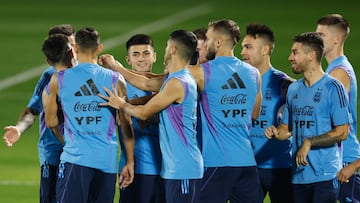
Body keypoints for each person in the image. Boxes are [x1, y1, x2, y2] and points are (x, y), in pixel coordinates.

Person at [99, 19, 263, 203]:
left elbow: (148, 82)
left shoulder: (201, 72)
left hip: (217, 161)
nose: (204, 45)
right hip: (246, 161)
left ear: (218, 42)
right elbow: (254, 114)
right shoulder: (253, 73)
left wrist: (117, 69)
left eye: (207, 39)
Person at [99, 29, 203, 203]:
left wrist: (122, 104)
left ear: (174, 49)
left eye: (169, 44)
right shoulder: (174, 78)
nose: (166, 47)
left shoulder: (178, 82)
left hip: (183, 167)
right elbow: (145, 81)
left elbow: (145, 112)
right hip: (174, 168)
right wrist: (116, 66)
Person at [44, 27, 135, 203]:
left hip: (75, 159)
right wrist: (129, 162)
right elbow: (126, 125)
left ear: (75, 48)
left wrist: (66, 141)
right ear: (99, 48)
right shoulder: (116, 79)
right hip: (107, 161)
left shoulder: (59, 79)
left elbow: (51, 121)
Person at [264, 32, 350, 203]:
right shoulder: (294, 89)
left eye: (295, 52)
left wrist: (309, 142)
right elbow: (286, 130)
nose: (290, 57)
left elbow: (342, 132)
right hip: (299, 176)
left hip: (324, 175)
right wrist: (276, 131)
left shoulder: (333, 87)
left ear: (311, 55)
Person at [3, 24, 75, 203]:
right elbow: (32, 110)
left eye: (71, 46)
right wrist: (19, 129)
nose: (70, 53)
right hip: (54, 152)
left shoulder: (88, 73)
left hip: (81, 152)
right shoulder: (49, 76)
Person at [240, 23, 294, 203]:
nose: (242, 52)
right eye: (242, 47)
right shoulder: (238, 83)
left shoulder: (285, 85)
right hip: (248, 166)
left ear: (264, 50)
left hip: (280, 167)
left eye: (248, 47)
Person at [316, 14, 360, 203]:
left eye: (321, 35)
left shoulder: (339, 72)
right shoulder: (335, 69)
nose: (316, 39)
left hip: (344, 161)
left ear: (337, 39)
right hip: (339, 158)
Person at [118, 34, 163, 203]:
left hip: (167, 168)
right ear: (128, 59)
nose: (141, 59)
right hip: (137, 168)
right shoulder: (122, 86)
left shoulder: (166, 85)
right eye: (135, 55)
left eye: (145, 53)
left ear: (154, 56)